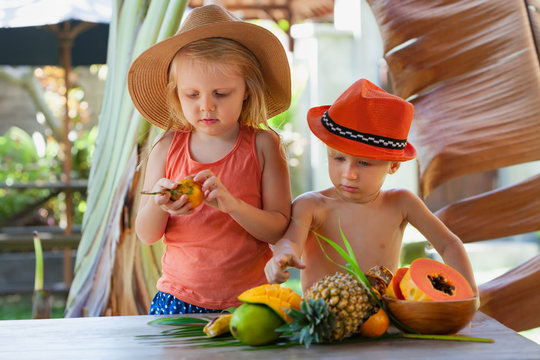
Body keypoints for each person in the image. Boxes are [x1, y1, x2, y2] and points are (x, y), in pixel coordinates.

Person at [128, 5, 292, 314]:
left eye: (221, 93)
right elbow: (147, 234)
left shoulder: (263, 145)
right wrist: (159, 203)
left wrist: (232, 205)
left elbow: (277, 229)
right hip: (178, 299)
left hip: (252, 301)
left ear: (246, 90)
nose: (206, 106)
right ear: (176, 95)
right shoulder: (166, 148)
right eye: (192, 95)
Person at [265, 79, 478, 295]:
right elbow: (290, 242)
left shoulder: (402, 203)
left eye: (364, 163)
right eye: (338, 158)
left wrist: (469, 298)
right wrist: (282, 258)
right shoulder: (311, 205)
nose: (349, 173)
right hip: (324, 322)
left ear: (393, 165)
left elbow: (448, 244)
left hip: (384, 322)